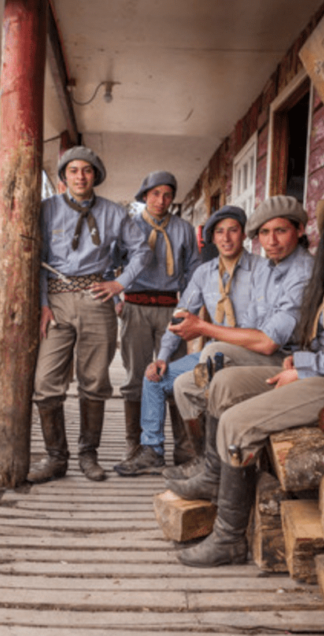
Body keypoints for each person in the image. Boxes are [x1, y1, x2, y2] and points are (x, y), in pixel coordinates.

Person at [175, 181, 324, 568]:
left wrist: (302, 367)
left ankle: (229, 538)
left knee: (234, 421)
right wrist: (298, 359)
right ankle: (215, 472)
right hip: (316, 368)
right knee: (224, 380)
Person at [159, 196, 314, 487]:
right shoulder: (270, 268)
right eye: (265, 233)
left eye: (280, 231)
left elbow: (268, 342)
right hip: (263, 351)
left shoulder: (301, 272)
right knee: (183, 385)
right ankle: (206, 461)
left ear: (300, 230)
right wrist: (165, 352)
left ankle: (215, 473)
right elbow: (188, 311)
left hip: (290, 359)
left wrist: (204, 327)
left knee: (215, 352)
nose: (271, 241)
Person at [29, 146, 152, 483]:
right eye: (73, 171)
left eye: (86, 170)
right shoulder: (45, 210)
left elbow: (141, 251)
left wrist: (120, 283)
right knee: (45, 383)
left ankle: (88, 455)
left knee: (95, 381)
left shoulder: (115, 213)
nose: (80, 176)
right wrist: (42, 303)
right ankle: (56, 458)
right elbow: (35, 259)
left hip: (97, 299)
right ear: (64, 176)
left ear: (95, 175)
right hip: (56, 299)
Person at [113, 205, 263, 477]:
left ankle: (199, 456)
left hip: (250, 354)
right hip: (214, 355)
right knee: (154, 378)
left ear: (244, 236)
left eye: (233, 231)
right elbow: (181, 316)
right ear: (212, 239)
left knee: (208, 372)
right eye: (220, 232)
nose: (226, 238)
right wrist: (162, 357)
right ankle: (152, 451)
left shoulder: (262, 271)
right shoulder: (204, 273)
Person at [114, 171, 201, 470]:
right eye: (154, 194)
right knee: (136, 378)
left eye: (167, 195)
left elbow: (193, 271)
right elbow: (110, 264)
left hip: (171, 309)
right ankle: (136, 445)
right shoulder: (128, 226)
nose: (161, 200)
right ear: (144, 196)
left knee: (173, 377)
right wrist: (117, 301)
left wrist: (189, 309)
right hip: (135, 307)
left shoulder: (184, 229)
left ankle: (184, 449)